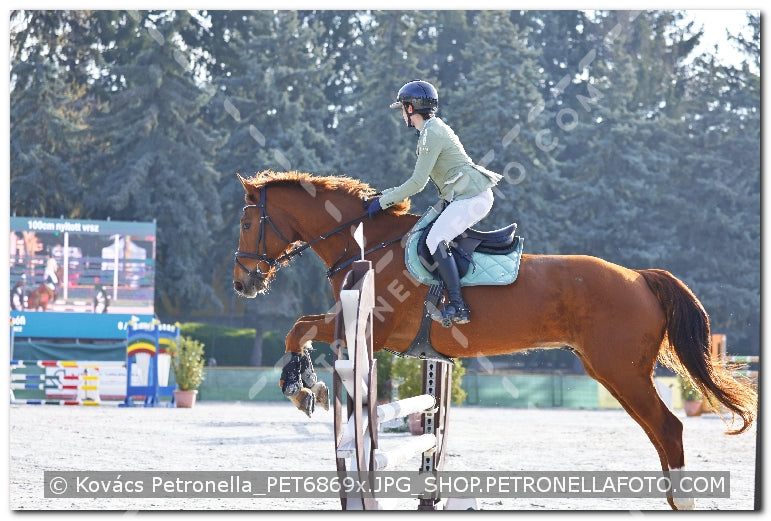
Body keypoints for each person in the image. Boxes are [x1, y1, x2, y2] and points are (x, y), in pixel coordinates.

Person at [366, 80, 503, 324]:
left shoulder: (432, 133)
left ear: (410, 108)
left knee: (435, 239)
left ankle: (459, 307)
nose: (402, 114)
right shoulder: (430, 131)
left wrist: (383, 203)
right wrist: (383, 196)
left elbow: (417, 183)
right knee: (430, 235)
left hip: (472, 197)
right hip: (464, 196)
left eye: (402, 108)